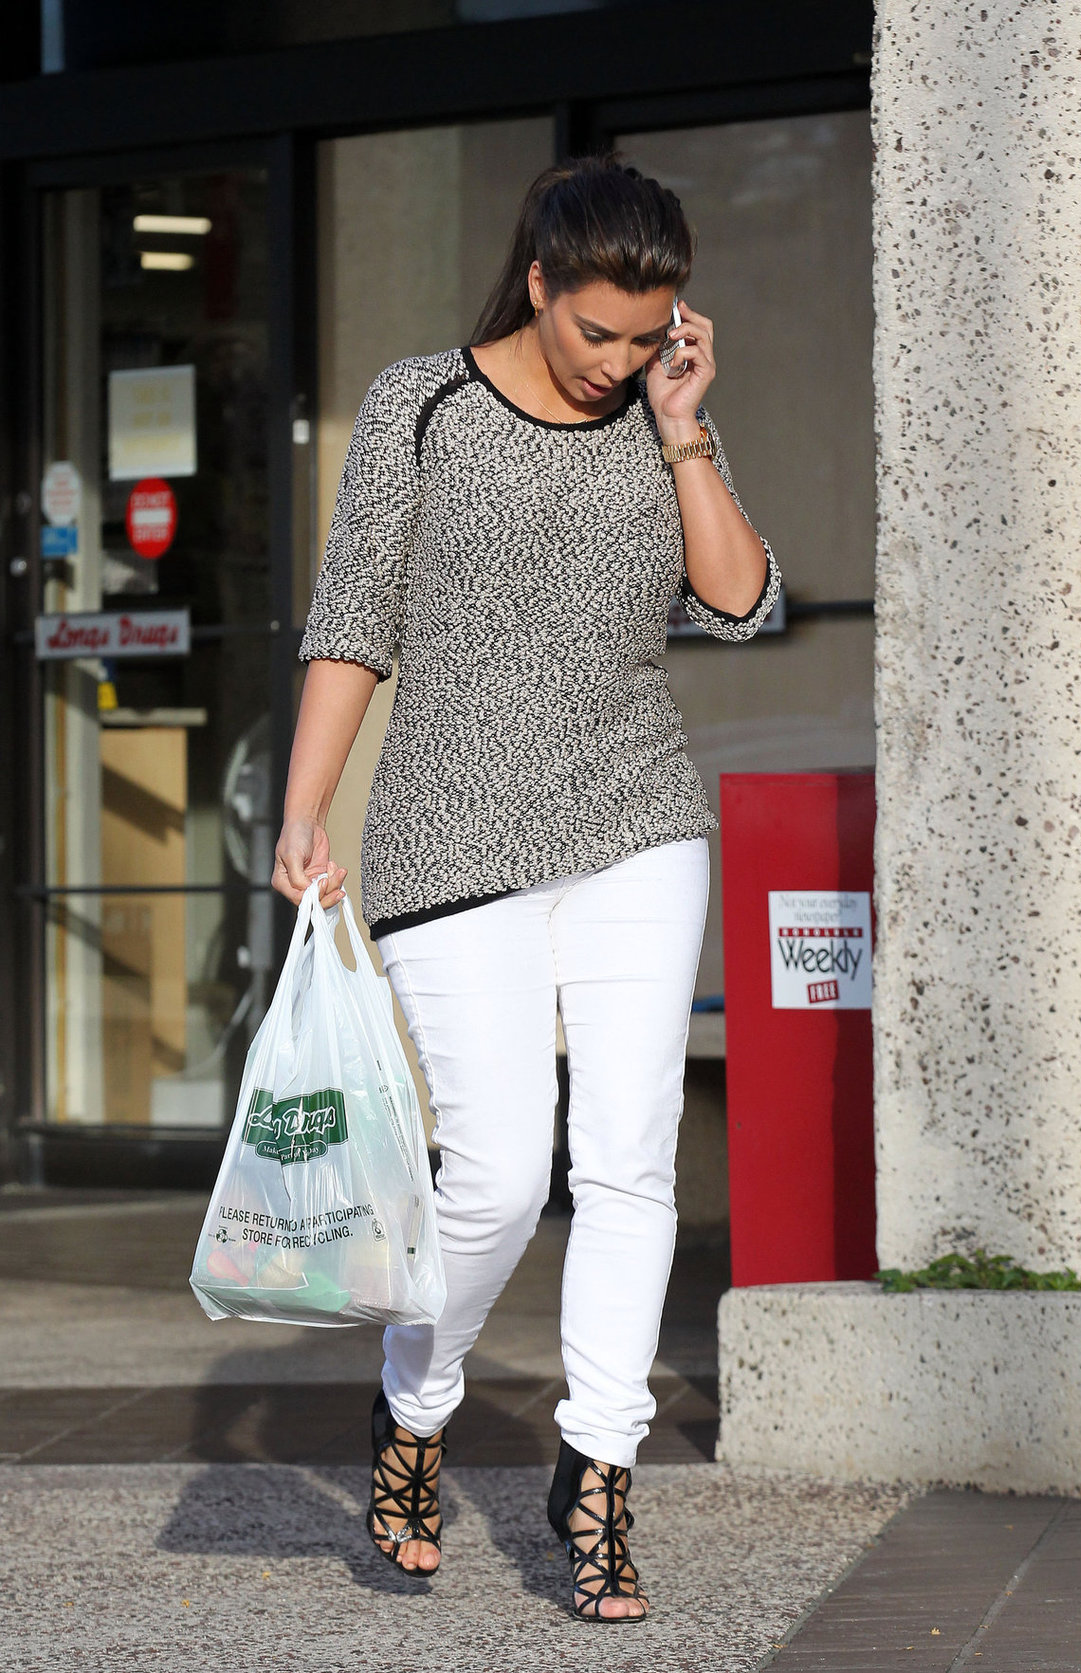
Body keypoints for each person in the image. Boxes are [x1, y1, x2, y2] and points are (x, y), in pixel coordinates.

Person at [272, 153, 781, 1623]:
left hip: (635, 822)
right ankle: (415, 1409)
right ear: (541, 282)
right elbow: (352, 620)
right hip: (452, 836)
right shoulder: (419, 406)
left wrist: (685, 433)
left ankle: (598, 1470)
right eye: (598, 334)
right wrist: (307, 809)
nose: (622, 359)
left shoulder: (659, 417)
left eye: (651, 335)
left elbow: (745, 606)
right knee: (495, 1174)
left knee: (629, 1161)